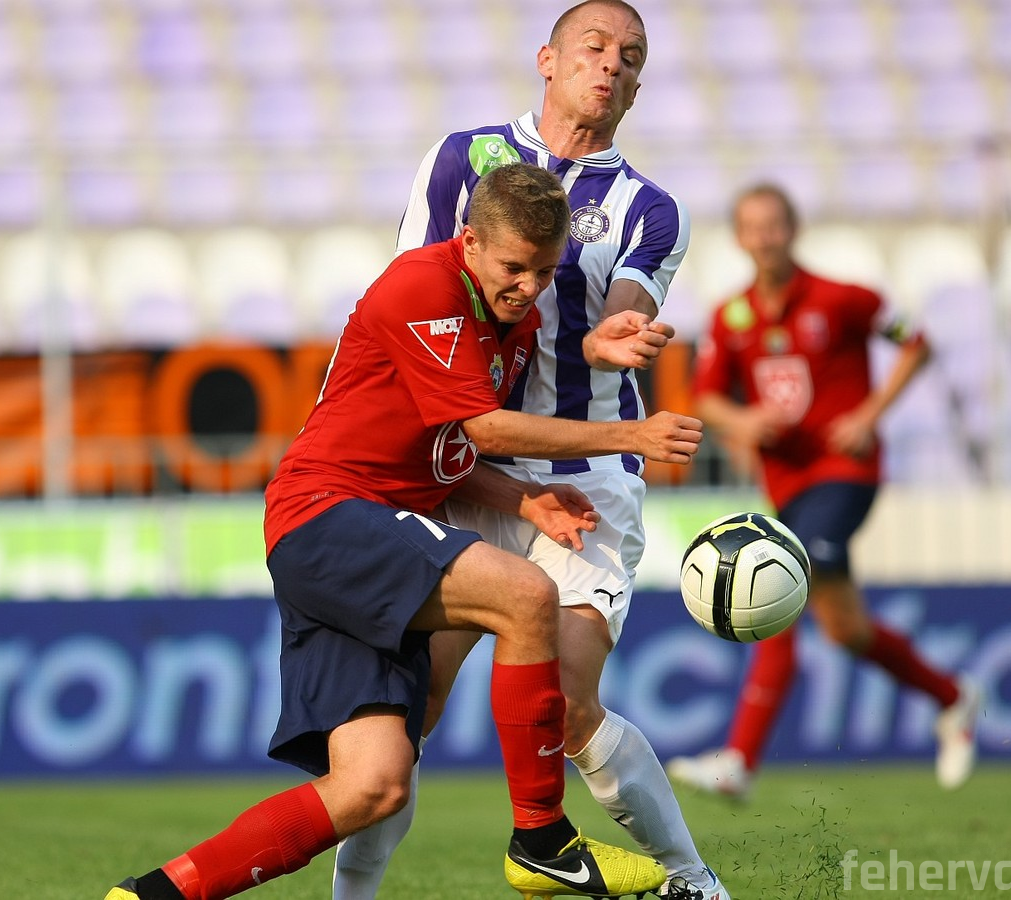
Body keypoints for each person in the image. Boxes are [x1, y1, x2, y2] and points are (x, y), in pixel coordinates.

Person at [107, 164, 702, 900]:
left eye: (545, 272)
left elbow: (446, 452)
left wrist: (523, 499)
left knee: (373, 783)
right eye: (514, 268)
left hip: (362, 533)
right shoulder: (423, 286)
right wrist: (631, 433)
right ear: (471, 241)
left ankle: (152, 894)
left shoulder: (513, 323)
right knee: (525, 596)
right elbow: (483, 428)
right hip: (326, 514)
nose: (529, 287)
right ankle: (542, 836)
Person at [333, 3, 729, 898]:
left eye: (632, 57)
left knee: (571, 703)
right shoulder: (461, 158)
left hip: (584, 482)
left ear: (638, 86)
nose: (612, 65)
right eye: (595, 47)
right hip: (466, 473)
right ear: (547, 59)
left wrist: (611, 335)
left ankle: (692, 881)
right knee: (411, 709)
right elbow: (413, 288)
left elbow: (627, 301)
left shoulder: (651, 209)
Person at [666, 182, 979, 800]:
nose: (765, 238)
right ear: (739, 238)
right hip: (787, 485)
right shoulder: (732, 317)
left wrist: (868, 415)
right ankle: (953, 698)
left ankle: (740, 760)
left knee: (776, 580)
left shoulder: (844, 299)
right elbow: (706, 397)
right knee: (844, 629)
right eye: (753, 227)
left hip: (845, 472)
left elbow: (916, 342)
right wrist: (743, 420)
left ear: (793, 229)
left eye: (774, 225)